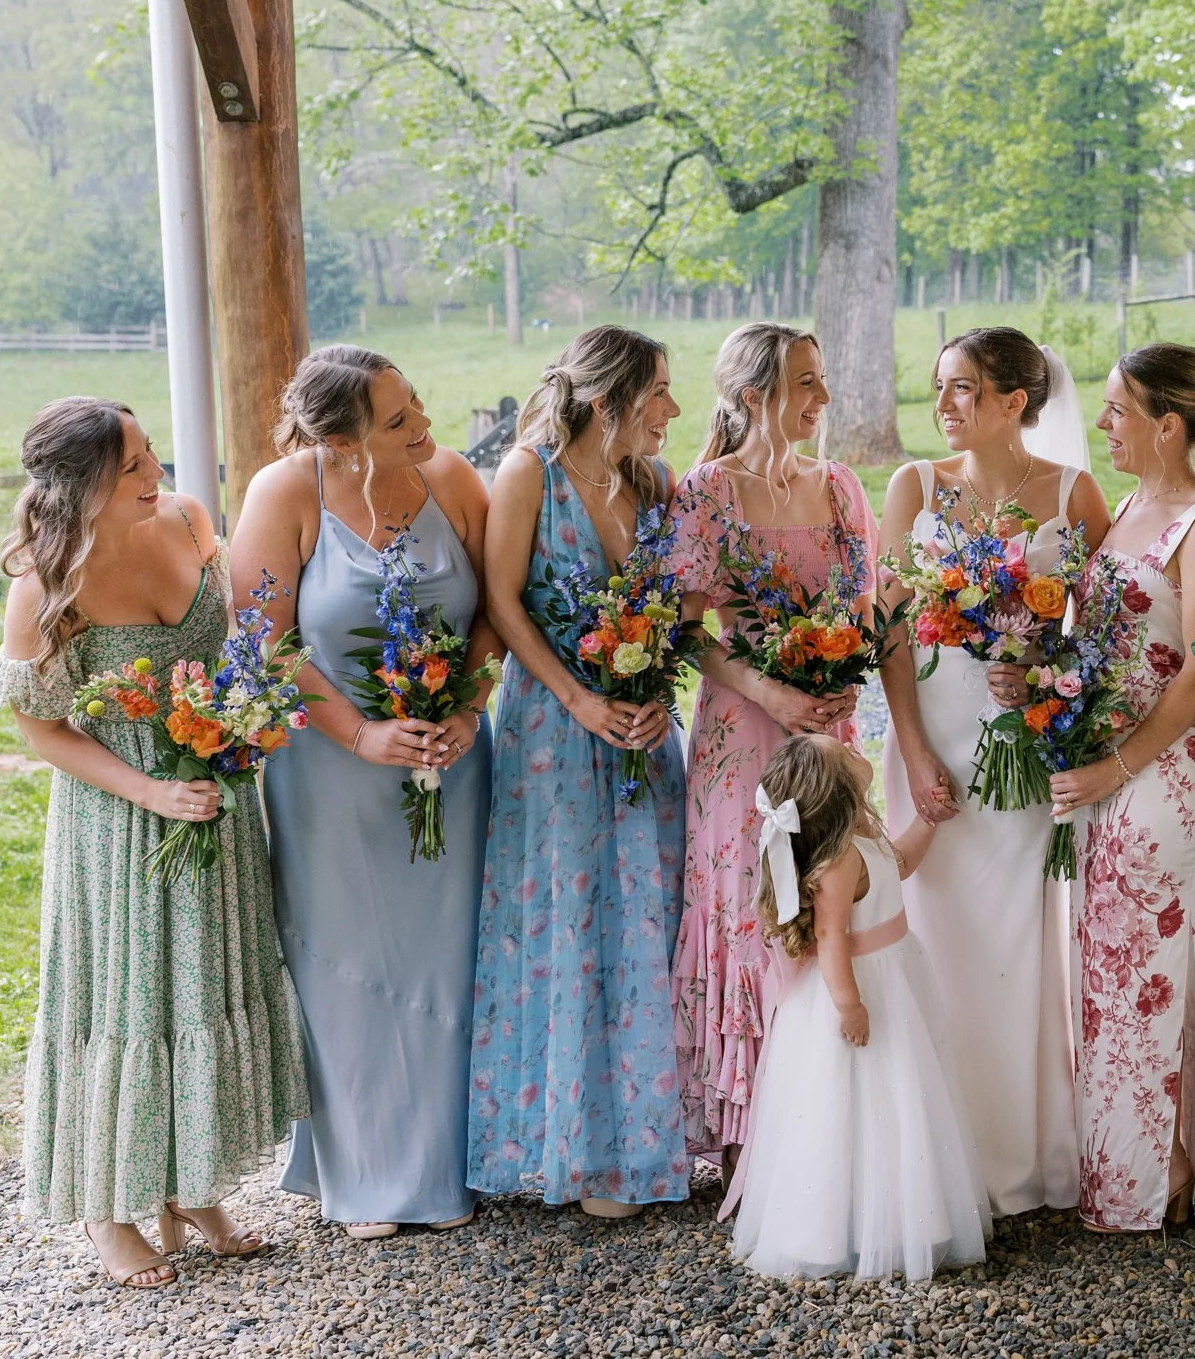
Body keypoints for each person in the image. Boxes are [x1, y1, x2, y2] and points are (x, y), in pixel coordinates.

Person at [0, 398, 307, 1288]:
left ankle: (188, 1188)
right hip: (121, 820)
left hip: (213, 793)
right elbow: (40, 728)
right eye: (131, 464)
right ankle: (106, 1208)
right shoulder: (49, 581)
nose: (153, 471)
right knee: (126, 1002)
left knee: (202, 986)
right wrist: (150, 790)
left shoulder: (191, 519)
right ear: (82, 482)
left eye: (148, 453)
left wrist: (241, 723)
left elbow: (240, 650)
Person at [233, 347, 498, 1240]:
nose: (422, 421)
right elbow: (262, 642)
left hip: (450, 757)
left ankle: (453, 1163)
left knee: (448, 958)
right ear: (341, 440)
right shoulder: (282, 493)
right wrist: (360, 731)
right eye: (397, 418)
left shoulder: (454, 478)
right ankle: (366, 1172)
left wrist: (467, 704)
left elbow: (498, 610)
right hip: (330, 770)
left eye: (416, 398)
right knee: (347, 966)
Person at [994, 341, 1195, 1233]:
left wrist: (1116, 763)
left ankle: (1160, 1178)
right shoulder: (1135, 505)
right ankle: (1122, 1175)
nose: (1102, 423)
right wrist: (1034, 676)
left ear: (1167, 425)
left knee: (1144, 975)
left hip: (1160, 776)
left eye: (1116, 411)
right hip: (1101, 762)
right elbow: (1097, 636)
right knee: (1101, 974)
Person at [878, 327, 1110, 1216]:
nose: (943, 405)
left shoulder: (1072, 492)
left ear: (1017, 401)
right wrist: (910, 748)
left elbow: (1109, 625)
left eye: (963, 389)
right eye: (940, 387)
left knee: (1015, 942)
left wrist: (1047, 677)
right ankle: (938, 1161)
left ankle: (1018, 1160)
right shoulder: (915, 486)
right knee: (933, 934)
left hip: (1021, 743)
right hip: (933, 735)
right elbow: (889, 625)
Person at [469, 326, 693, 1218]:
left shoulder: (654, 483)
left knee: (643, 913)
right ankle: (576, 1142)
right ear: (611, 404)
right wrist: (578, 699)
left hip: (642, 727)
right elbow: (502, 598)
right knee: (570, 916)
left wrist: (652, 692)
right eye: (661, 395)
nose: (674, 412)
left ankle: (641, 1138)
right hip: (555, 728)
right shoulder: (529, 472)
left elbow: (675, 601)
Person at [672, 322, 876, 1166]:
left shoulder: (841, 489)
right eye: (805, 382)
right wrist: (769, 688)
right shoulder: (706, 492)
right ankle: (750, 1127)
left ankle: (826, 1111)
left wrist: (843, 676)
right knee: (755, 904)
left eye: (822, 379)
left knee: (827, 901)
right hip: (742, 735)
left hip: (826, 730)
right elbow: (683, 629)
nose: (822, 399)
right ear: (754, 394)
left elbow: (864, 609)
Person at [730, 733, 991, 1281]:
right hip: (858, 986)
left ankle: (897, 1216)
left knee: (898, 1102)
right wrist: (849, 1005)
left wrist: (929, 822)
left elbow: (901, 863)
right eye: (843, 751)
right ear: (838, 786)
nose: (854, 747)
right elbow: (831, 936)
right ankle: (829, 1229)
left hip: (896, 974)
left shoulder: (864, 835)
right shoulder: (839, 860)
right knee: (847, 1106)